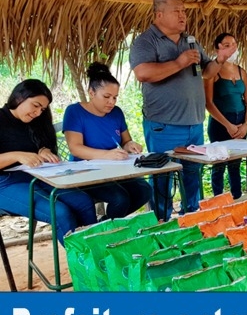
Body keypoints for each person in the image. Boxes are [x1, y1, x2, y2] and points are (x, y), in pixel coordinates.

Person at [128, 0, 226, 217]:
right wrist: (179, 62)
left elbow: (207, 72)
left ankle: (192, 218)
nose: (183, 16)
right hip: (164, 125)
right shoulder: (145, 41)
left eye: (184, 11)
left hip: (194, 123)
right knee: (162, 178)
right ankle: (161, 222)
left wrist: (220, 59)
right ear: (159, 15)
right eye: (177, 11)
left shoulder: (190, 40)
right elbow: (143, 73)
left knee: (192, 175)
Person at [0, 80, 97, 242]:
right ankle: (84, 263)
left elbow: (39, 146)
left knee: (84, 203)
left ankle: (96, 253)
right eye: (35, 105)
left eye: (42, 109)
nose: (38, 113)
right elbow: (18, 152)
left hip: (36, 176)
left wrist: (43, 150)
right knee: (60, 213)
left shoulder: (36, 122)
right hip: (5, 184)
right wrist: (16, 155)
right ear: (19, 97)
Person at [61, 63, 151, 217]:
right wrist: (106, 155)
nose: (111, 102)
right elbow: (75, 148)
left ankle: (107, 223)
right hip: (86, 172)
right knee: (120, 198)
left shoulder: (116, 113)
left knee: (145, 190)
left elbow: (125, 141)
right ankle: (107, 231)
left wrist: (130, 145)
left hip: (115, 170)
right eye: (106, 97)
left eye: (115, 97)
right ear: (91, 93)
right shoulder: (75, 112)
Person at [204, 32, 247, 198]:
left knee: (235, 165)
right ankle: (218, 201)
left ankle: (238, 199)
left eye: (233, 44)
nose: (231, 48)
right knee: (219, 165)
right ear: (218, 48)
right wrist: (228, 125)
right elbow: (208, 103)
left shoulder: (241, 71)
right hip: (220, 123)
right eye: (226, 45)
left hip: (240, 123)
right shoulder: (212, 72)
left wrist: (246, 124)